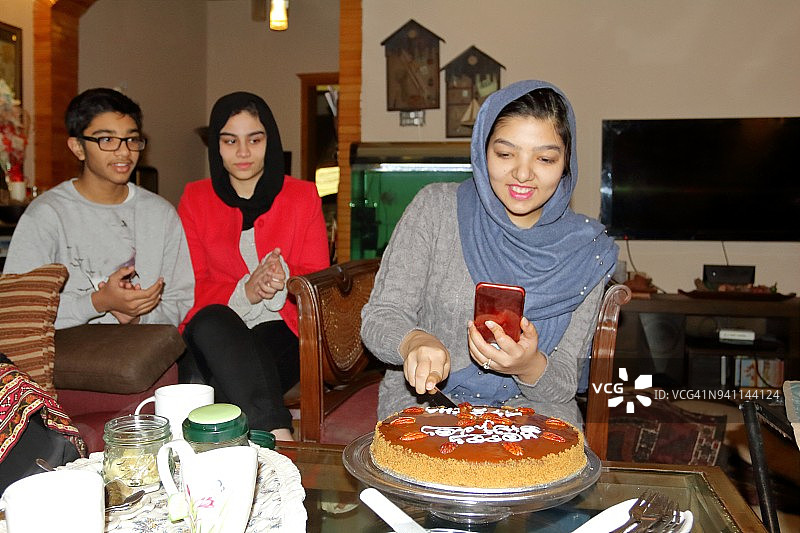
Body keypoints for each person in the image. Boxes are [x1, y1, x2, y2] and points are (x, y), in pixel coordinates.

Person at [361, 80, 618, 427]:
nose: (523, 173)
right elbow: (380, 317)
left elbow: (562, 385)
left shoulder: (587, 252)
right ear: (482, 152)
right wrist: (413, 341)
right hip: (428, 404)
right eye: (505, 154)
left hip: (534, 413)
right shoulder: (436, 209)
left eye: (544, 158)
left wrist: (528, 366)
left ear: (566, 163)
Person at [178, 92, 329, 441]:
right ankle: (279, 439)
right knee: (215, 320)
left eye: (254, 140)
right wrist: (245, 291)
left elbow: (317, 282)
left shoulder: (302, 196)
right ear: (217, 145)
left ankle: (212, 449)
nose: (243, 152)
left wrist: (282, 281)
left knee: (219, 376)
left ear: (270, 141)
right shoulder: (195, 198)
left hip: (284, 329)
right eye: (230, 141)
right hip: (213, 327)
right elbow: (189, 284)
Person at [4, 88, 194, 328]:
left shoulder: (160, 214)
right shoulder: (47, 214)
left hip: (143, 352)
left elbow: (180, 300)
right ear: (78, 147)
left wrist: (137, 317)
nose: (124, 151)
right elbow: (18, 307)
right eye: (107, 140)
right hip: (66, 355)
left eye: (131, 139)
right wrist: (97, 302)